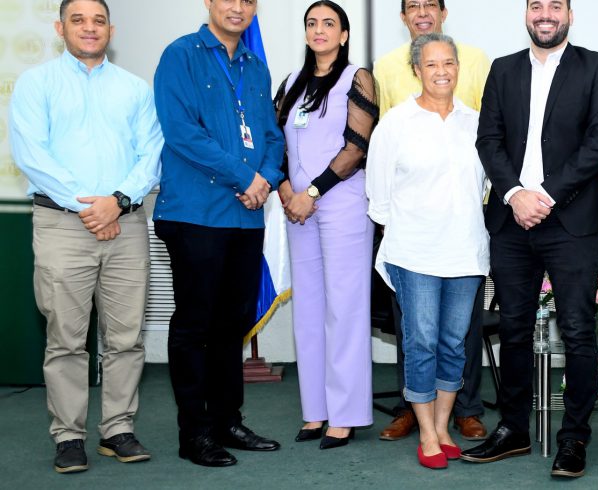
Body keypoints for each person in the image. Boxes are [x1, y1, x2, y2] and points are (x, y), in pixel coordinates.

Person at [460, 0, 598, 479]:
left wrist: (545, 195)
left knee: (577, 330)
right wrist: (515, 194)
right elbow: (488, 140)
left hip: (571, 222)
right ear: (526, 13)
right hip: (512, 220)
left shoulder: (597, 67)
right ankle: (513, 429)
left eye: (555, 5)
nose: (545, 14)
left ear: (569, 14)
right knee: (513, 329)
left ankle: (574, 438)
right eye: (536, 5)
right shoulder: (503, 69)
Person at [8, 0, 161, 474]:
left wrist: (117, 201)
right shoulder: (36, 84)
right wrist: (90, 208)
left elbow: (152, 153)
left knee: (126, 337)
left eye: (98, 21)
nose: (89, 28)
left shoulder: (135, 88)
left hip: (125, 223)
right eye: (78, 20)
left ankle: (118, 429)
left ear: (110, 30)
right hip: (62, 225)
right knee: (66, 340)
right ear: (60, 28)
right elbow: (32, 155)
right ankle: (68, 436)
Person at [152, 0, 284, 468]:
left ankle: (228, 420)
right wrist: (245, 177)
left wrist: (265, 179)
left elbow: (272, 135)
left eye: (248, 0)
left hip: (245, 217)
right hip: (195, 213)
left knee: (232, 325)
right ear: (209, 1)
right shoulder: (181, 55)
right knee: (195, 325)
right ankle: (195, 433)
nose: (238, 7)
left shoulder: (255, 66)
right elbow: (182, 132)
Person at [371, 0, 492, 443]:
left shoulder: (476, 124)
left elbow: (485, 186)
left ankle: (442, 426)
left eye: (449, 63)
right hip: (414, 253)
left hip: (464, 252)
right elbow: (378, 199)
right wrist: (410, 231)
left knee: (454, 344)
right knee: (420, 343)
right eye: (431, 64)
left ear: (458, 68)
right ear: (416, 70)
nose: (442, 71)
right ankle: (426, 432)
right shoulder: (395, 124)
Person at [273, 0, 377, 450]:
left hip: (341, 204)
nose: (319, 30)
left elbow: (356, 146)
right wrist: (285, 191)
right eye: (312, 23)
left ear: (344, 34)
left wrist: (311, 192)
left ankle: (346, 414)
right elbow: (274, 142)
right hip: (296, 209)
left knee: (345, 308)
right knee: (309, 310)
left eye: (329, 23)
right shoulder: (290, 83)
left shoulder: (358, 78)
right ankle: (315, 411)